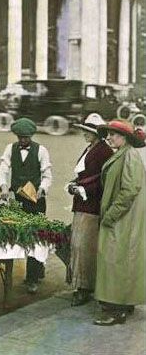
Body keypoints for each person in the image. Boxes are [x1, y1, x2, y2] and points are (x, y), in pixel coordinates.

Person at [93, 119, 146, 326]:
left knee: (113, 261)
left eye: (113, 134)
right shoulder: (124, 154)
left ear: (124, 137)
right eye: (109, 134)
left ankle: (116, 310)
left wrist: (111, 214)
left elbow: (130, 189)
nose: (109, 137)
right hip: (124, 218)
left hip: (122, 219)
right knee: (121, 262)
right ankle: (123, 304)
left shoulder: (129, 156)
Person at [0, 117, 52, 294]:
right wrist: (3, 185)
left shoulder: (41, 150)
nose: (23, 141)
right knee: (19, 233)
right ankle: (37, 267)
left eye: (26, 138)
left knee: (35, 236)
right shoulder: (10, 149)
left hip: (36, 200)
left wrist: (42, 189)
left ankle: (32, 278)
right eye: (20, 137)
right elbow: (3, 169)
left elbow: (47, 175)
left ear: (32, 136)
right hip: (18, 199)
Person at [67, 114, 113, 306]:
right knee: (78, 244)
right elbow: (85, 175)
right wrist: (74, 184)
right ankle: (81, 284)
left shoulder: (103, 152)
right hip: (83, 204)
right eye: (84, 131)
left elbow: (102, 180)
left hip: (92, 206)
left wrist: (81, 188)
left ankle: (85, 287)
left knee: (84, 246)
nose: (84, 134)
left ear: (97, 134)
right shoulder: (91, 148)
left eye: (88, 132)